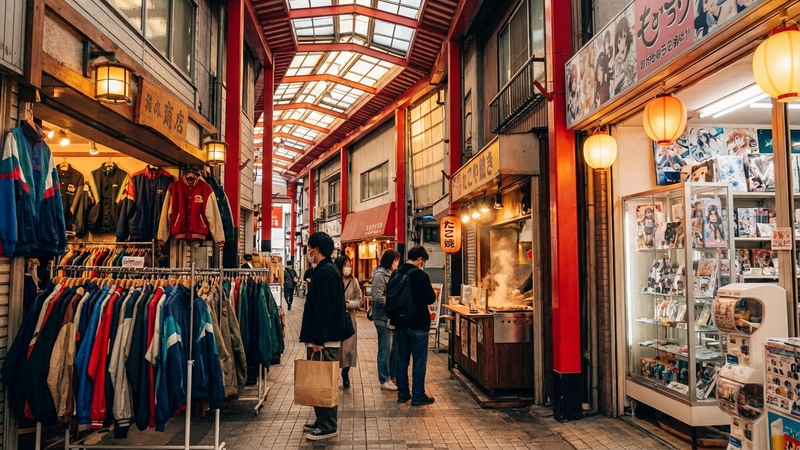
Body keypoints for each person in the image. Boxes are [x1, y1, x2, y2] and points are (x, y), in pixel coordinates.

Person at [298, 232, 346, 441]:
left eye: (309, 248)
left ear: (315, 250)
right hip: (322, 336)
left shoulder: (326, 272)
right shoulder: (325, 270)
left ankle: (328, 425)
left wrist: (318, 338)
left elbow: (323, 308)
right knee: (318, 377)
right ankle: (321, 419)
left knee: (323, 378)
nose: (308, 251)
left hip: (324, 338)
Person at [392, 246, 437, 406]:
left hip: (400, 324)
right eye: (423, 261)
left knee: (401, 360)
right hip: (418, 324)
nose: (423, 264)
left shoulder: (397, 273)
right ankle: (418, 396)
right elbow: (430, 298)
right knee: (419, 361)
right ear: (420, 259)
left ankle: (402, 394)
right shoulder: (421, 276)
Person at [372, 248, 401, 391]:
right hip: (382, 317)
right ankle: (384, 379)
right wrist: (393, 302)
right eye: (396, 260)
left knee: (394, 348)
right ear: (390, 260)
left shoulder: (394, 274)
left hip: (392, 317)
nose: (397, 263)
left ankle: (393, 377)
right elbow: (377, 296)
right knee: (385, 348)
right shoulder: (380, 275)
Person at [334, 255, 363, 388]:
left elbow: (360, 300)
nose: (348, 268)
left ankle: (345, 374)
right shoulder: (334, 280)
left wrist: (349, 304)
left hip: (349, 319)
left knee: (349, 349)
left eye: (349, 265)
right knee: (335, 349)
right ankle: (333, 375)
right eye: (345, 265)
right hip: (335, 319)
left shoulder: (354, 281)